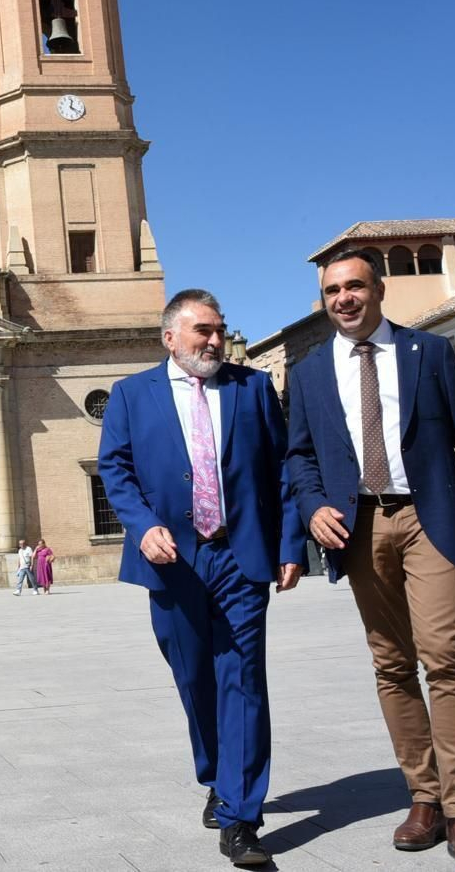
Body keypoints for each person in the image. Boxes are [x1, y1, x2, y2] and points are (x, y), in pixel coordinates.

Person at [285, 248, 455, 872]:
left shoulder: (428, 354)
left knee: (445, 655)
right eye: (333, 291)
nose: (344, 299)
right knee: (390, 663)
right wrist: (310, 507)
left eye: (354, 286)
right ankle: (424, 797)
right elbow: (297, 456)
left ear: (377, 291)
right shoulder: (307, 373)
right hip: (357, 527)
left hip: (428, 517)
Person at [98, 289, 305, 868]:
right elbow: (114, 469)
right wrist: (141, 526)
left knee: (243, 680)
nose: (215, 340)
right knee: (194, 677)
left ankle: (242, 815)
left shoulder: (252, 387)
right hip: (172, 561)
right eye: (202, 331)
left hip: (240, 557)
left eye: (219, 330)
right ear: (170, 337)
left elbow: (281, 469)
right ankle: (218, 775)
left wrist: (291, 544)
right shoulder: (130, 395)